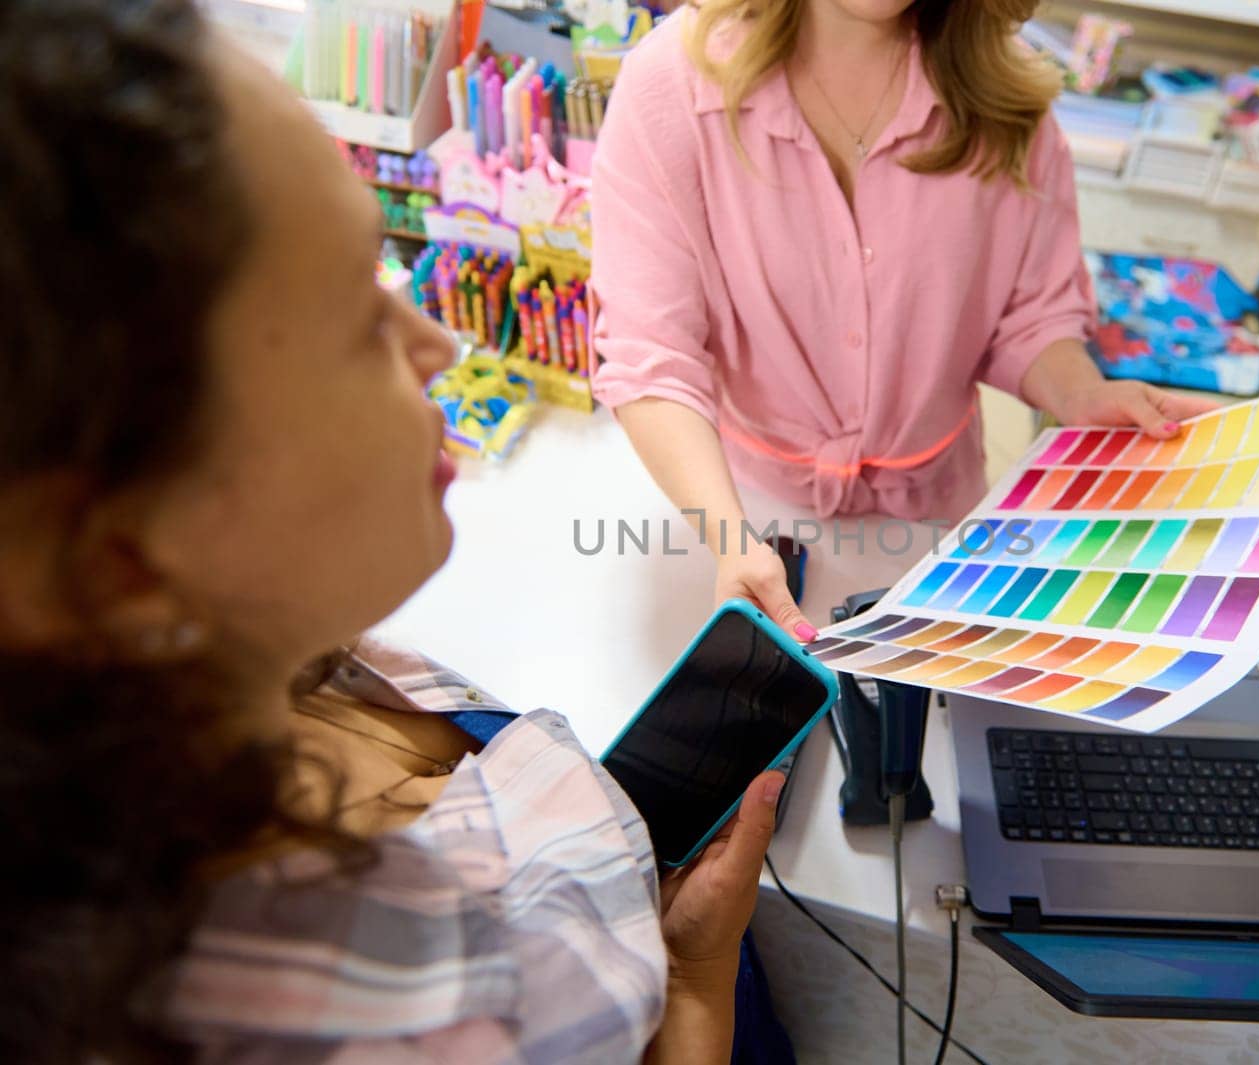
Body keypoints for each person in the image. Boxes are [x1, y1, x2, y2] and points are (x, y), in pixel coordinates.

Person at [0, 3, 776, 1062]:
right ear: (121, 559)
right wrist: (691, 989)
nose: (439, 342)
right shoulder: (465, 1015)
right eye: (362, 315)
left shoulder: (264, 688)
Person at [589, 0, 1216, 641]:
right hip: (738, 509)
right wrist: (728, 536)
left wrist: (1081, 393)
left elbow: (1031, 315)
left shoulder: (1007, 94)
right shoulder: (673, 82)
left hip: (936, 528)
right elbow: (649, 349)